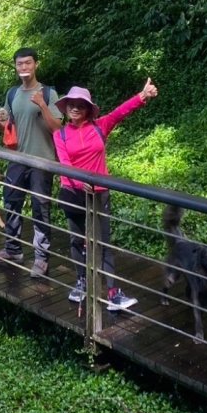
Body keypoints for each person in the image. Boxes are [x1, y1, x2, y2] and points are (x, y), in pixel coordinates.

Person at [55, 78, 158, 312]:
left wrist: (142, 96)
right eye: (71, 104)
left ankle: (112, 293)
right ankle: (82, 282)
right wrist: (81, 183)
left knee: (102, 242)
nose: (75, 108)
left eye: (80, 105)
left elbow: (120, 112)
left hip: (99, 193)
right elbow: (65, 164)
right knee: (77, 240)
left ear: (88, 109)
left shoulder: (100, 126)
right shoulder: (60, 135)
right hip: (72, 193)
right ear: (66, 107)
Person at [0, 48, 62, 278]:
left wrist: (42, 105)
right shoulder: (12, 93)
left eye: (28, 63)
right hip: (17, 158)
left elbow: (58, 128)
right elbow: (11, 125)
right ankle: (13, 250)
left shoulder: (49, 93)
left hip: (42, 161)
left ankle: (41, 259)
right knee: (11, 202)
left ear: (36, 64)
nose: (24, 67)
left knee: (40, 208)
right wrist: (2, 123)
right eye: (20, 64)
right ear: (16, 67)